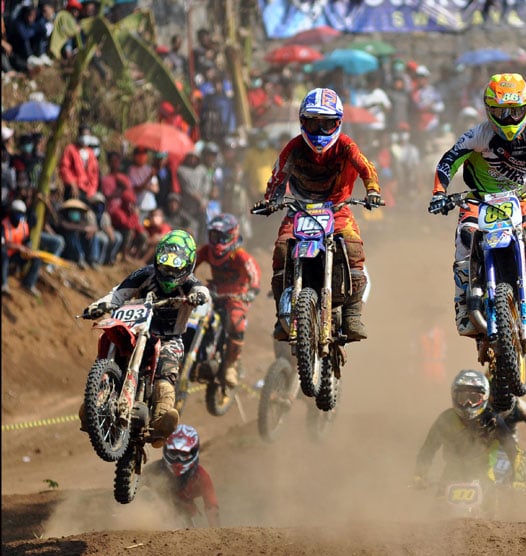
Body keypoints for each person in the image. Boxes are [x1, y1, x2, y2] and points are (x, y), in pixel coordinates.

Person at [428, 73, 526, 336]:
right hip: (477, 198)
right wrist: (440, 192)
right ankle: (463, 305)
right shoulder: (478, 135)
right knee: (466, 236)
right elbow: (448, 161)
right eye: (500, 112)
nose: (508, 119)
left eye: (514, 112)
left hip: (517, 197)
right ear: (488, 109)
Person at [254, 87, 383, 342]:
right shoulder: (294, 147)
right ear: (303, 122)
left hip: (337, 209)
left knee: (354, 249)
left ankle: (352, 315)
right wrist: (271, 200)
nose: (321, 131)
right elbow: (278, 175)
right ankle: (282, 314)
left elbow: (367, 168)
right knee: (282, 250)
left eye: (327, 124)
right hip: (299, 208)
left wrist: (373, 191)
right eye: (314, 124)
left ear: (338, 123)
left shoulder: (346, 146)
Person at [80, 230, 209, 445]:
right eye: (164, 267)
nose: (168, 274)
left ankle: (161, 418)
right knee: (110, 339)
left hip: (169, 338)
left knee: (165, 375)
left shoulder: (189, 283)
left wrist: (199, 296)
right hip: (136, 330)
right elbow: (118, 294)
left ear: (187, 267)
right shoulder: (144, 274)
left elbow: (203, 291)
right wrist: (98, 305)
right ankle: (96, 400)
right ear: (158, 261)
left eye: (173, 269)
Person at [412, 370, 526, 491]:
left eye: (473, 398)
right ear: (454, 396)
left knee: (494, 508)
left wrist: (519, 480)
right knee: (437, 508)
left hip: (484, 479)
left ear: (484, 397)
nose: (468, 404)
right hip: (450, 478)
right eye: (463, 398)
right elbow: (428, 449)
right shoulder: (446, 419)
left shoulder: (493, 420)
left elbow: (514, 451)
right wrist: (419, 475)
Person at [194, 214, 261, 390]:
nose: (216, 241)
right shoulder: (207, 250)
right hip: (214, 290)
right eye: (213, 235)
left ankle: (231, 364)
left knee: (235, 322)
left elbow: (253, 271)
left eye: (220, 236)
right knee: (191, 310)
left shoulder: (239, 255)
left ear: (231, 235)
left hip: (237, 294)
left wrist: (253, 289)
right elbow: (191, 263)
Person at [142, 424, 220, 527]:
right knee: (147, 496)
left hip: (189, 518)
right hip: (157, 518)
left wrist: (215, 534)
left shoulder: (200, 476)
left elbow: (212, 507)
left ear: (193, 452)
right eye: (173, 453)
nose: (178, 459)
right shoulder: (152, 470)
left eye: (184, 454)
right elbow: (130, 496)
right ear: (166, 450)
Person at [1, 199, 42, 297]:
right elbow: (3, 244)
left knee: (37, 259)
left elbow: (27, 240)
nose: (18, 217)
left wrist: (28, 249)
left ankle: (28, 284)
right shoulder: (3, 224)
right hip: (6, 255)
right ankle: (4, 284)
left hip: (18, 255)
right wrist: (19, 247)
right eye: (17, 213)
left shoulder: (24, 225)